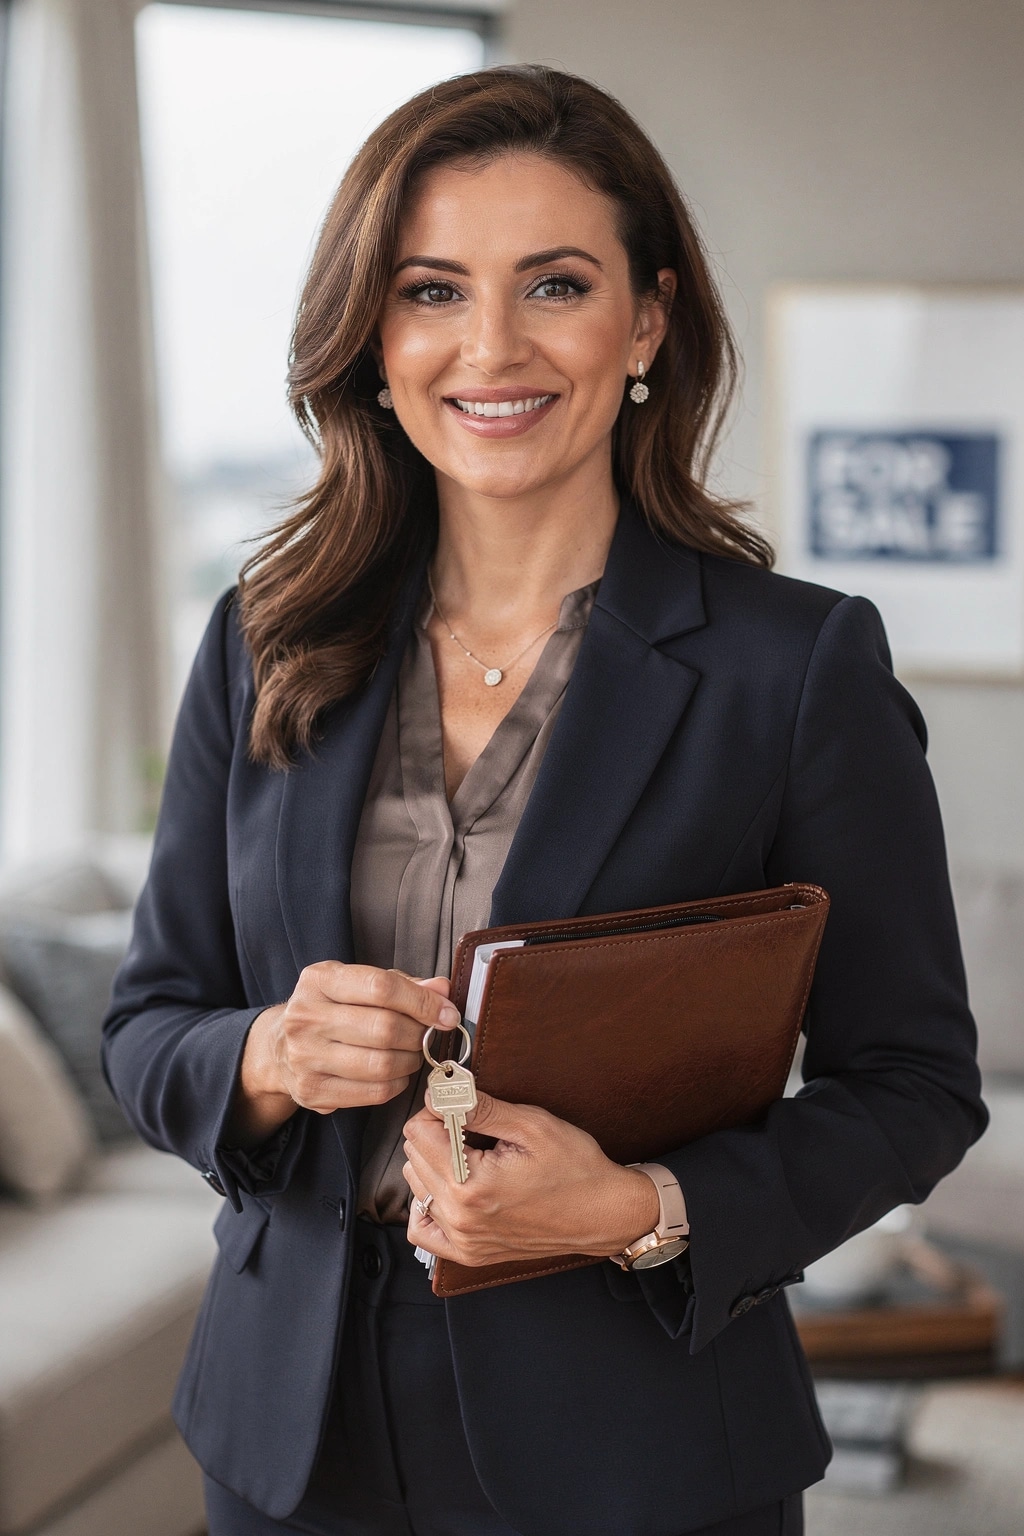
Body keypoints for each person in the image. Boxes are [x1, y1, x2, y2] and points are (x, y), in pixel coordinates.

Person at [102, 65, 985, 1536]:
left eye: (554, 285)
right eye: (433, 291)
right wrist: (263, 1053)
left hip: (641, 1444)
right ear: (372, 341)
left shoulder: (796, 666)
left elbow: (913, 1086)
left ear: (646, 319)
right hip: (288, 1435)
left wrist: (641, 1209)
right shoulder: (262, 639)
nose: (490, 346)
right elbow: (147, 1023)